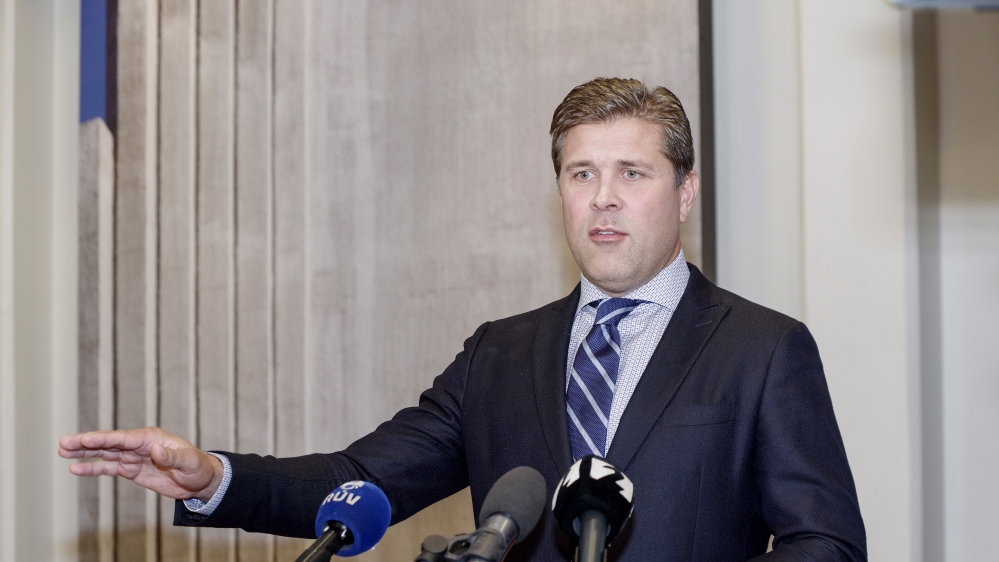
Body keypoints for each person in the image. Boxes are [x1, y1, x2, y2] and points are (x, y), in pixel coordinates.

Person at [59, 78, 867, 561]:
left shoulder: (762, 349)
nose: (604, 197)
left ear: (683, 192)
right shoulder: (500, 354)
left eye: (632, 172)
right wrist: (214, 477)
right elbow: (360, 482)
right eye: (581, 172)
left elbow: (824, 545)